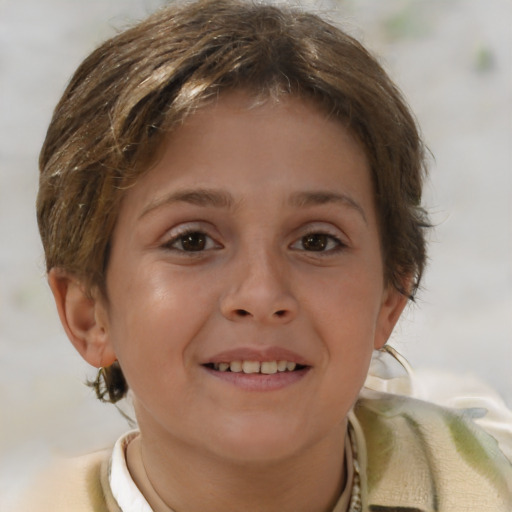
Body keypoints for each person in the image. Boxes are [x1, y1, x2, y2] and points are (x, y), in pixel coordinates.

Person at [23, 0, 512, 510]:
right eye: (191, 241)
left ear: (389, 299)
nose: (261, 295)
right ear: (89, 315)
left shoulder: (483, 484)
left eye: (317, 241)